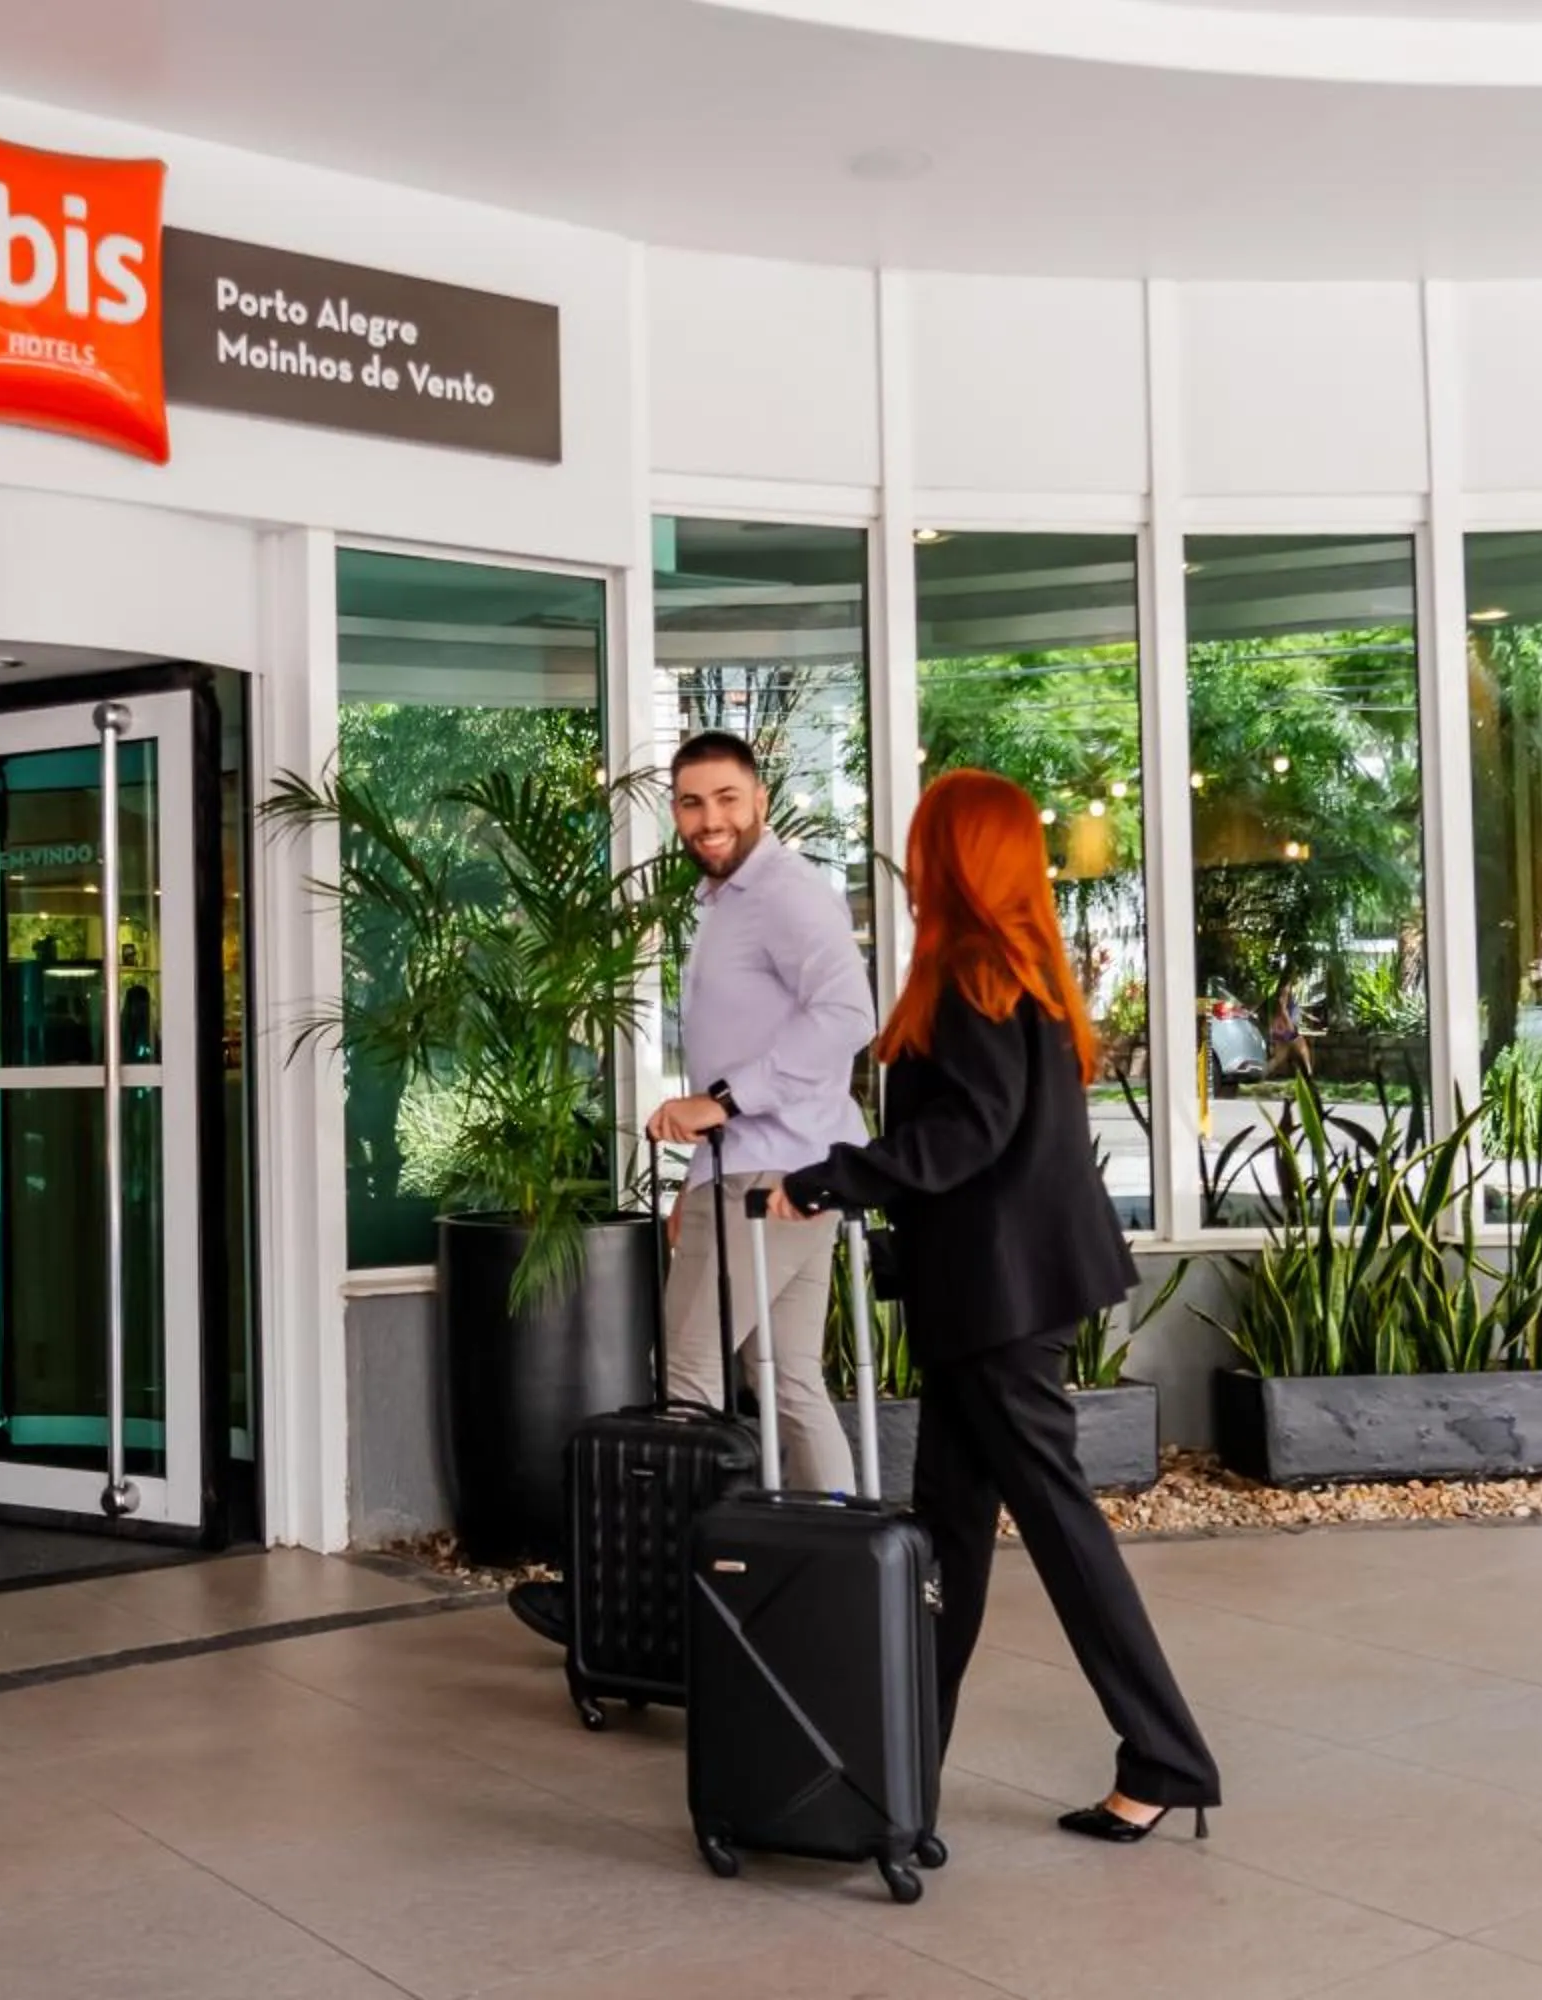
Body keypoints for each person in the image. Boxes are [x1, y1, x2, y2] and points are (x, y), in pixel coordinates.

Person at [773, 768, 1221, 1845]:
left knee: (1053, 1526)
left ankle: (1165, 1753)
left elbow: (967, 1130)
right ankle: (897, 1768)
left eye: (925, 835)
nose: (911, 852)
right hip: (994, 1290)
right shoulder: (1012, 967)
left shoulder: (976, 970)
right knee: (951, 1539)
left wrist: (836, 1175)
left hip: (999, 1298)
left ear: (957, 854)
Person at [510, 729, 874, 1645]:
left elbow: (849, 1014)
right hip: (770, 1170)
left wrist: (722, 1103)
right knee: (791, 1380)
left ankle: (642, 1600)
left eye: (725, 799)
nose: (708, 820)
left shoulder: (785, 896)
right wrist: (699, 1171)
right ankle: (841, 1577)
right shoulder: (730, 900)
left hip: (767, 1177)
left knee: (687, 1387)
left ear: (759, 799)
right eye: (690, 803)